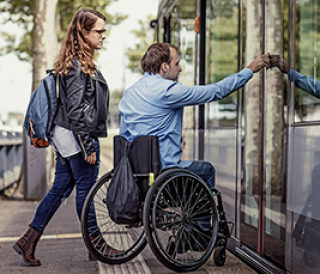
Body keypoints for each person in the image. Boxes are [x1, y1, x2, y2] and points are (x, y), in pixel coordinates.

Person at [12, 8, 121, 266]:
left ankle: (28, 239)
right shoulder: (76, 65)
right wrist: (87, 146)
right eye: (99, 31)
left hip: (65, 137)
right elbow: (75, 111)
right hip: (75, 138)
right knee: (87, 191)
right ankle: (96, 244)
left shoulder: (76, 61)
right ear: (84, 32)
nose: (103, 36)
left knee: (60, 188)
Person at [119, 42, 270, 191]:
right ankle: (199, 216)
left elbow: (124, 136)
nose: (180, 69)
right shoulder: (169, 91)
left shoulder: (130, 93)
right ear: (164, 67)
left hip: (137, 173)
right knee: (207, 170)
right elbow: (215, 91)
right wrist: (250, 70)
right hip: (165, 172)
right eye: (177, 63)